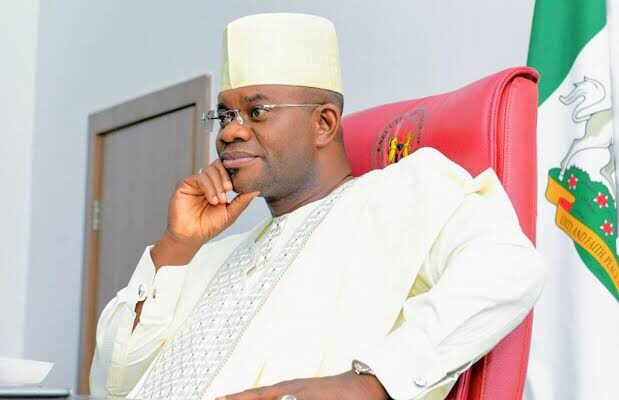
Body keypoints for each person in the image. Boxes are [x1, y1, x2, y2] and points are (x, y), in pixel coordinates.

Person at [89, 13, 546, 400]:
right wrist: (176, 244)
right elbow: (112, 382)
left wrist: (373, 380)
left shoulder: (403, 192)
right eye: (225, 115)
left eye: (257, 111)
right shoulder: (212, 255)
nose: (229, 132)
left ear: (324, 123)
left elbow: (508, 269)